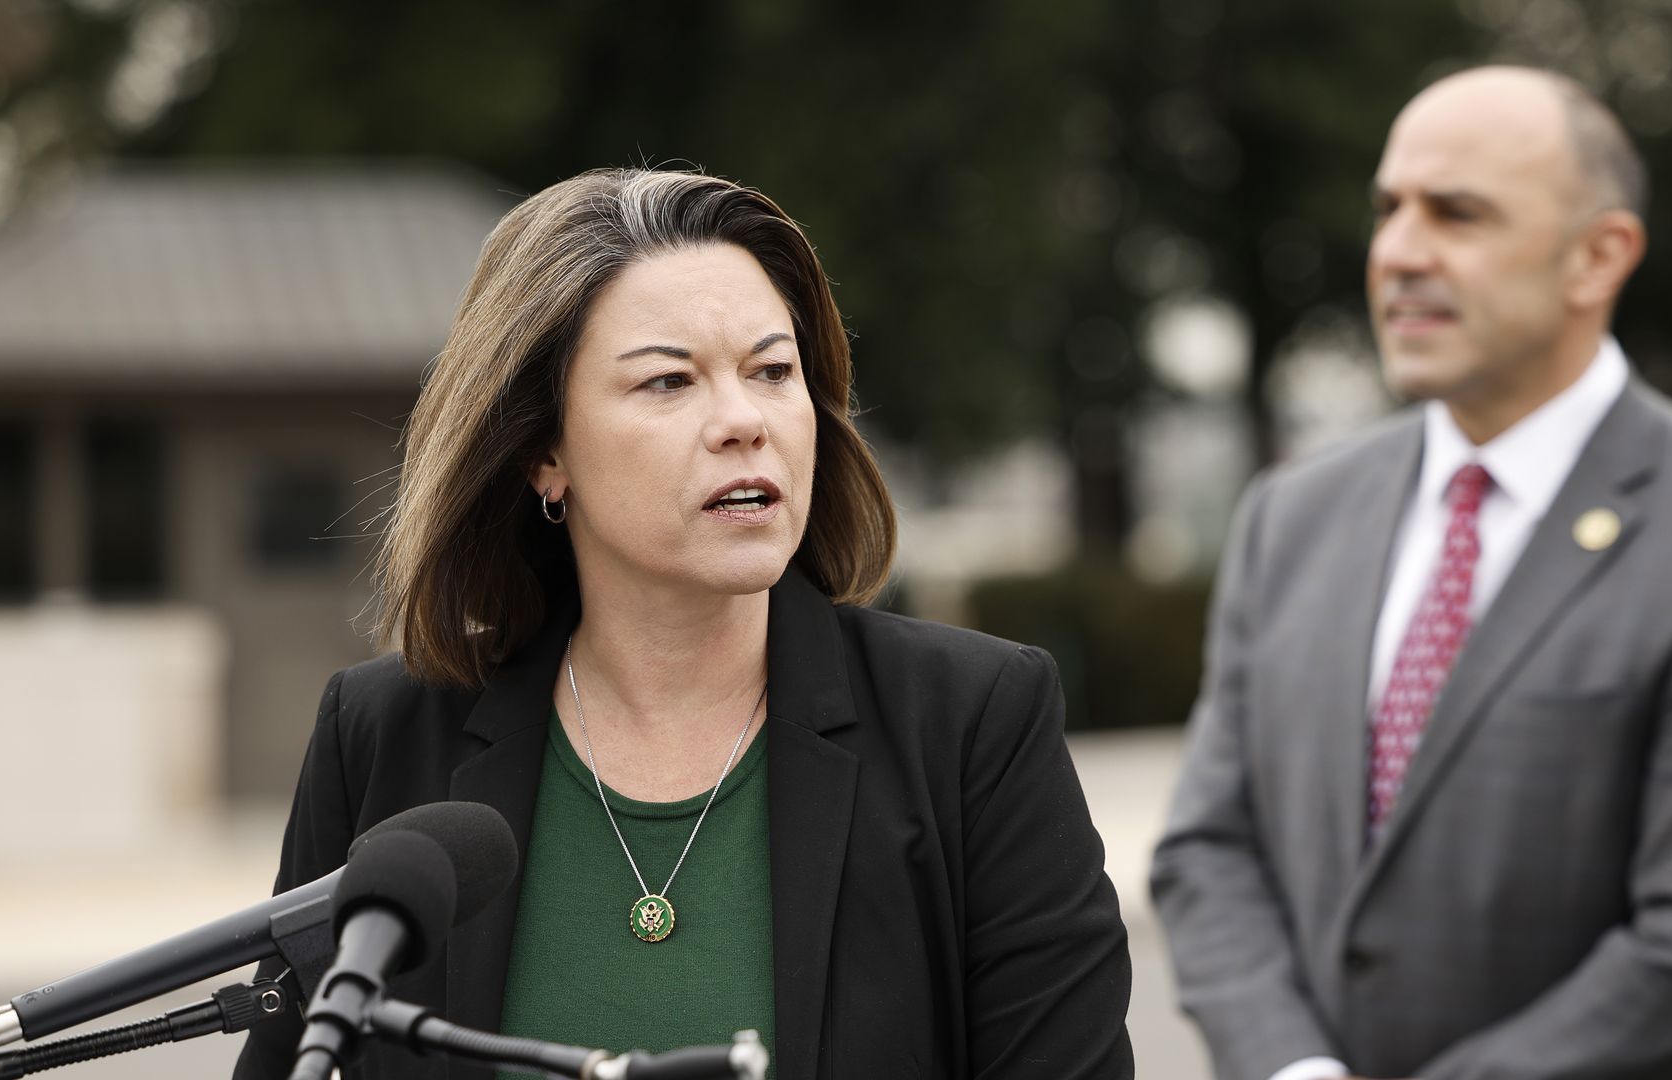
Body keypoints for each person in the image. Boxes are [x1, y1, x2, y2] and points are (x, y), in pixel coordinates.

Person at [230, 167, 1133, 1080]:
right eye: (669, 382)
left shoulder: (974, 723)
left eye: (773, 371)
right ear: (544, 451)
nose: (744, 421)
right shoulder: (383, 736)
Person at [1150, 65, 1672, 1080]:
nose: (1399, 253)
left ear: (1599, 256)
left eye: (1457, 214)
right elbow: (1208, 848)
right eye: (1388, 209)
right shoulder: (1292, 516)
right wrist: (1294, 1070)